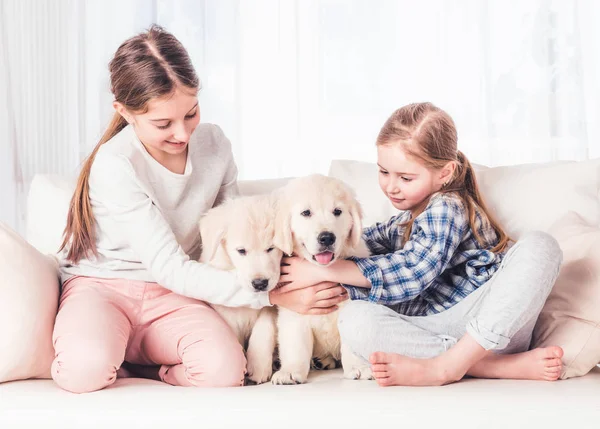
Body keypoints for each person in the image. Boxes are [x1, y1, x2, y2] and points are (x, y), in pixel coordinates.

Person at [53, 25, 347, 393]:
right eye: (163, 123)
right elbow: (170, 267)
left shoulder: (215, 144)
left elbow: (244, 236)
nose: (182, 133)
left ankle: (143, 366)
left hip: (175, 297)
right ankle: (109, 350)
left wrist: (292, 276)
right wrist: (272, 295)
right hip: (105, 289)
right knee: (83, 372)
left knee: (225, 372)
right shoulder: (116, 164)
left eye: (190, 114)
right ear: (124, 112)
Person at [279, 102, 564, 386]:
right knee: (354, 319)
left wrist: (325, 271)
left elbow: (414, 269)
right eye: (383, 172)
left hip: (488, 325)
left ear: (445, 172)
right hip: (434, 334)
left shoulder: (447, 206)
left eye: (405, 177)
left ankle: (449, 367)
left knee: (541, 245)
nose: (391, 186)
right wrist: (312, 247)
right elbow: (361, 238)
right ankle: (489, 366)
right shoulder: (404, 220)